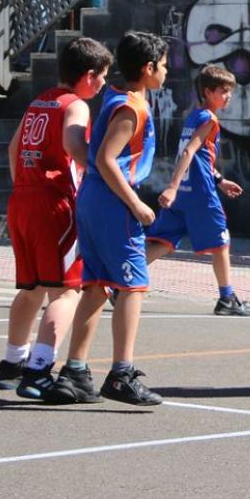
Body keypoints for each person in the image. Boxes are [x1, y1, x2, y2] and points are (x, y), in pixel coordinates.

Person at [40, 31, 168, 406]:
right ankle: (121, 373)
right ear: (147, 69)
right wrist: (136, 204)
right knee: (131, 288)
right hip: (114, 200)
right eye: (162, 67)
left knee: (96, 285)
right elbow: (106, 160)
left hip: (94, 199)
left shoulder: (113, 96)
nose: (165, 73)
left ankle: (74, 371)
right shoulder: (131, 108)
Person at [0, 37, 112, 393]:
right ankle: (39, 369)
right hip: (54, 204)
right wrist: (103, 169)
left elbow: (13, 148)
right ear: (88, 76)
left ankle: (12, 363)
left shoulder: (39, 101)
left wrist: (24, 185)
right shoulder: (75, 106)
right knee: (66, 292)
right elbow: (75, 147)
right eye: (102, 76)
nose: (103, 84)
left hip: (22, 201)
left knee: (31, 288)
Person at [144, 63, 250, 316]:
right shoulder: (209, 119)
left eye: (230, 91)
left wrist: (220, 180)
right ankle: (227, 299)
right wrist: (171, 187)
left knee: (164, 241)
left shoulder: (194, 115)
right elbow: (189, 151)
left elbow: (200, 158)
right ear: (207, 91)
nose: (228, 96)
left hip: (186, 192)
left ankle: (123, 281)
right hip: (199, 195)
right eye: (223, 91)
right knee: (221, 242)